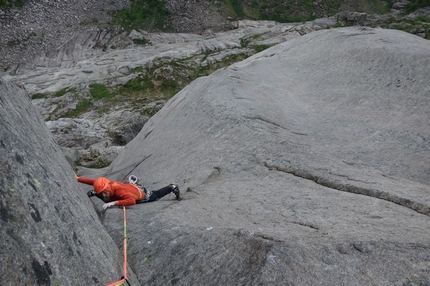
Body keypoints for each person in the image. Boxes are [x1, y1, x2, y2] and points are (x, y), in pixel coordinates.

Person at [76, 174, 180, 210]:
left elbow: (132, 201)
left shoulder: (119, 192)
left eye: (104, 192)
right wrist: (78, 179)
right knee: (108, 198)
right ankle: (95, 193)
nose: (104, 194)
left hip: (142, 195)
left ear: (107, 188)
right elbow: (94, 182)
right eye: (102, 192)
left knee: (156, 195)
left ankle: (172, 187)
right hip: (129, 187)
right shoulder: (109, 184)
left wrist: (115, 203)